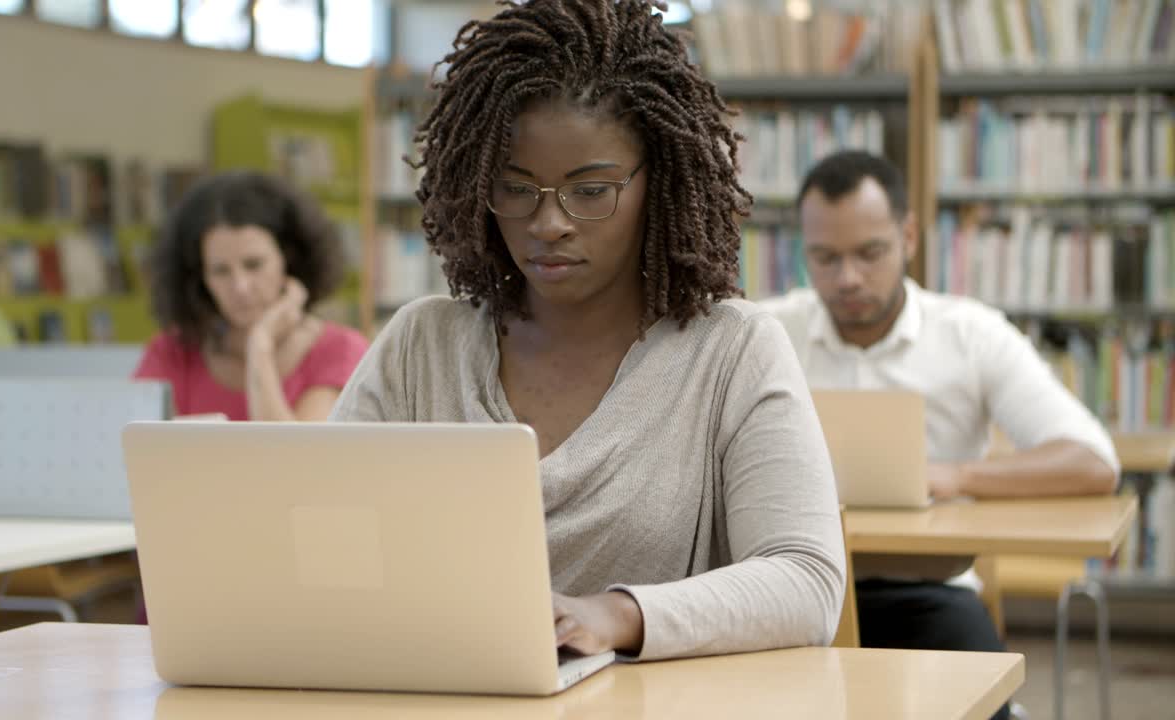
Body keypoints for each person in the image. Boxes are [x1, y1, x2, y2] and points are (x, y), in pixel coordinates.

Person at [328, 0, 845, 661]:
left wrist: (617, 615)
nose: (548, 224)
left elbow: (805, 582)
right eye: (515, 189)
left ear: (657, 184)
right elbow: (324, 543)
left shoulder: (733, 351)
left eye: (591, 190)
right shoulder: (420, 347)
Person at [758, 150, 1120, 719]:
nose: (847, 278)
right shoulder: (767, 332)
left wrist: (954, 476)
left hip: (926, 592)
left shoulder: (970, 334)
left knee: (980, 700)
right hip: (787, 592)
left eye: (869, 253)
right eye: (824, 258)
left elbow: (1093, 462)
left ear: (908, 236)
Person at [135, 171, 368, 421]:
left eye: (254, 264)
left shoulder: (339, 350)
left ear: (288, 260)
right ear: (200, 278)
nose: (240, 286)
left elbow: (295, 458)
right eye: (220, 270)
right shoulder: (172, 353)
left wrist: (260, 347)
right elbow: (137, 449)